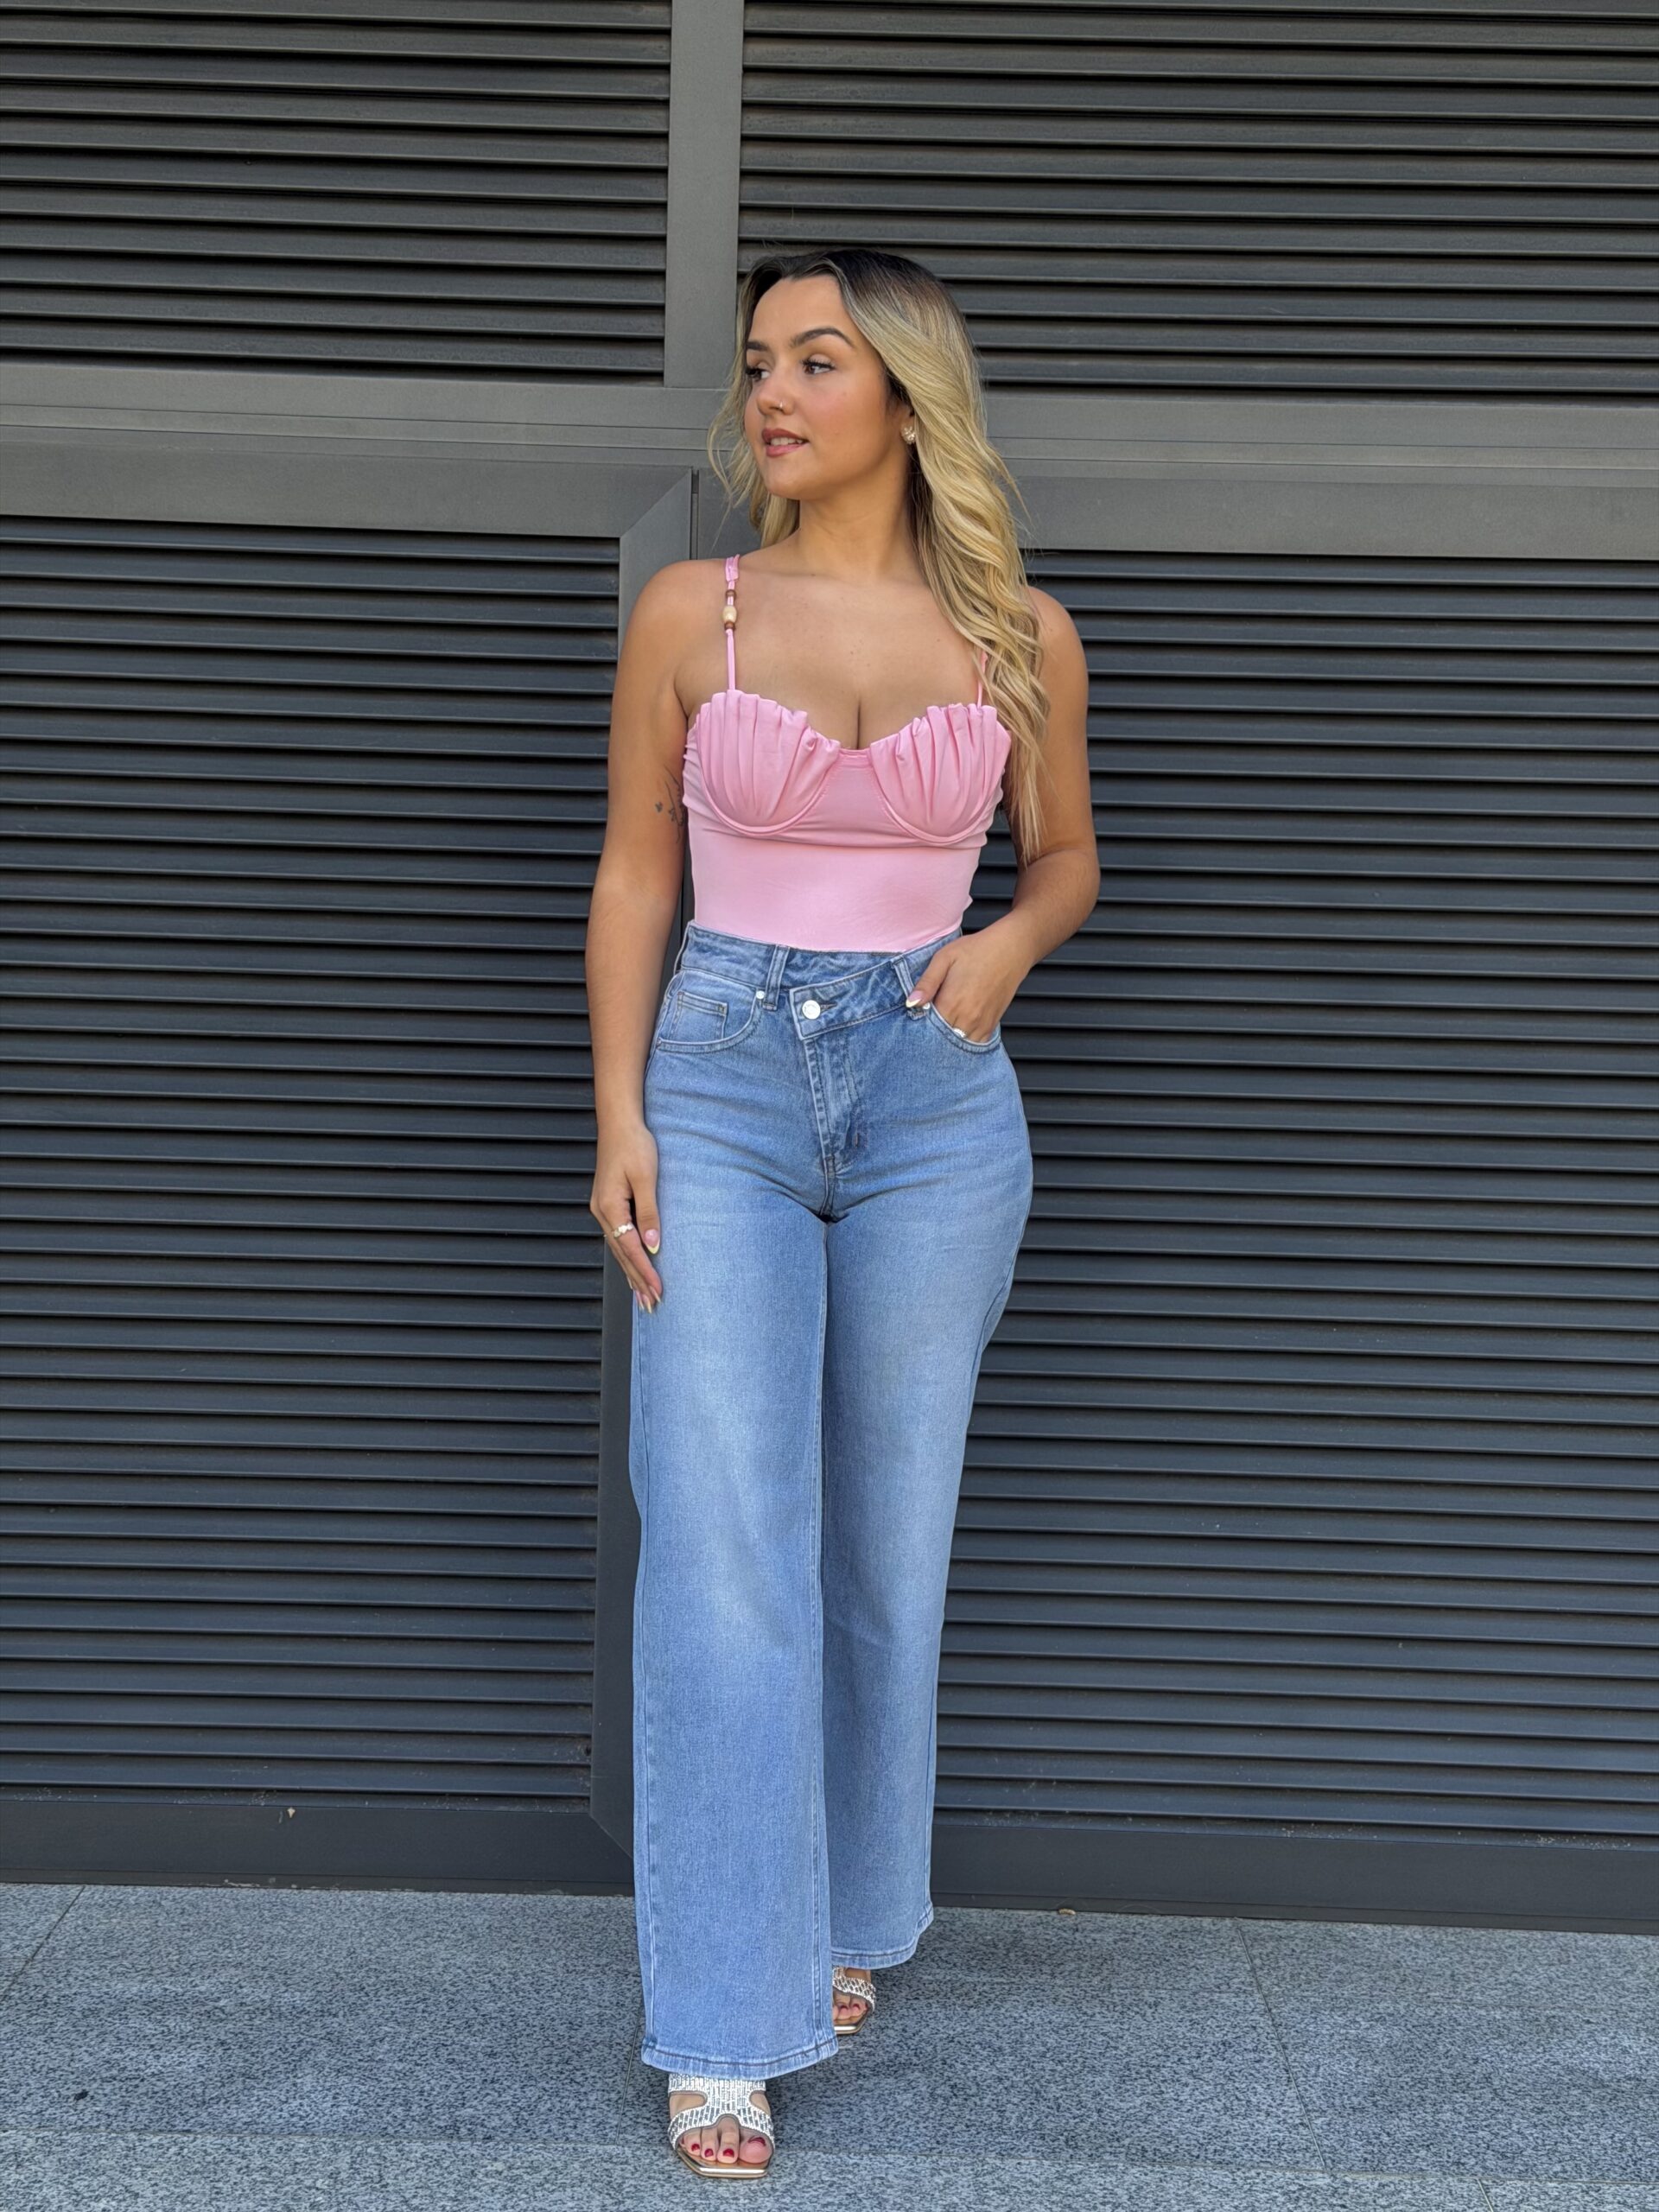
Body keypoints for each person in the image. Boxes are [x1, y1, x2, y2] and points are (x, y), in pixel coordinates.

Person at [584, 246, 1097, 2177]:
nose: (773, 396)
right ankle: (724, 2020)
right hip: (718, 1076)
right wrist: (619, 1113)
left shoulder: (1020, 634)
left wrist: (1007, 947)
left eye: (816, 360)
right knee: (722, 1537)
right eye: (759, 365)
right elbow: (636, 874)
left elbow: (1067, 856)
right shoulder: (690, 611)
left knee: (889, 1536)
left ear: (905, 393)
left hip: (935, 1101)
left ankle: (851, 1909)